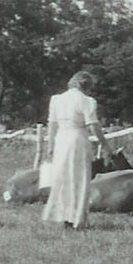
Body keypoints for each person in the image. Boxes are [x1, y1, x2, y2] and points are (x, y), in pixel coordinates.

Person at [42, 71, 113, 230]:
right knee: (79, 179)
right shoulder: (87, 101)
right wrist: (105, 145)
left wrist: (50, 146)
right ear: (87, 87)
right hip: (76, 140)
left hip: (61, 140)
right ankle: (76, 218)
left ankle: (63, 216)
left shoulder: (57, 99)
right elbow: (93, 125)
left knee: (63, 178)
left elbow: (52, 124)